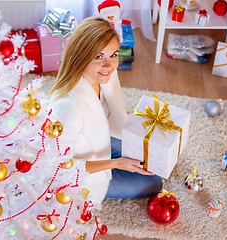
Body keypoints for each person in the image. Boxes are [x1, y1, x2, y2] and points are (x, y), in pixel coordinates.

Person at [50, 17, 162, 209]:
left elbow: (113, 117)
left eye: (114, 55)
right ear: (81, 57)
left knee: (153, 158)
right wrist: (116, 163)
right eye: (98, 57)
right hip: (78, 172)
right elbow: (62, 166)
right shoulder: (69, 108)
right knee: (154, 183)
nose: (109, 66)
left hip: (100, 143)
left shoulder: (102, 78)